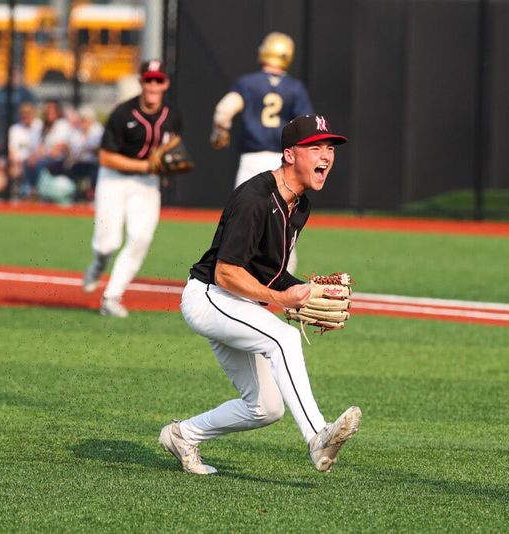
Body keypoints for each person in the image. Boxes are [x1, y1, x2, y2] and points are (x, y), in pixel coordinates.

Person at [159, 114, 361, 475]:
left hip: (238, 302)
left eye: (330, 148)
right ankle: (318, 436)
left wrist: (303, 289)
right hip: (210, 296)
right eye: (315, 148)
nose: (326, 155)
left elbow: (270, 271)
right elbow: (226, 271)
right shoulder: (254, 198)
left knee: (266, 407)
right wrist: (284, 300)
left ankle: (183, 435)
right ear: (289, 155)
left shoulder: (300, 206)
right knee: (283, 338)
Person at [81, 59, 183, 318]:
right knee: (108, 243)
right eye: (148, 79)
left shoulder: (172, 115)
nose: (153, 85)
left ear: (165, 84)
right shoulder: (122, 114)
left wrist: (166, 164)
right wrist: (146, 166)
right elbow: (105, 157)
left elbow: (175, 141)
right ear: (141, 82)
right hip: (113, 179)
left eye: (158, 80)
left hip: (147, 184)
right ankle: (97, 264)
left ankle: (111, 297)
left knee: (141, 238)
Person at [210, 31, 313, 273]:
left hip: (251, 160)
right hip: (282, 163)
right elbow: (306, 126)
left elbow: (223, 111)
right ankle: (283, 278)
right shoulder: (295, 88)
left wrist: (219, 134)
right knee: (283, 225)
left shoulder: (248, 83)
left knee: (241, 221)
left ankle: (230, 274)